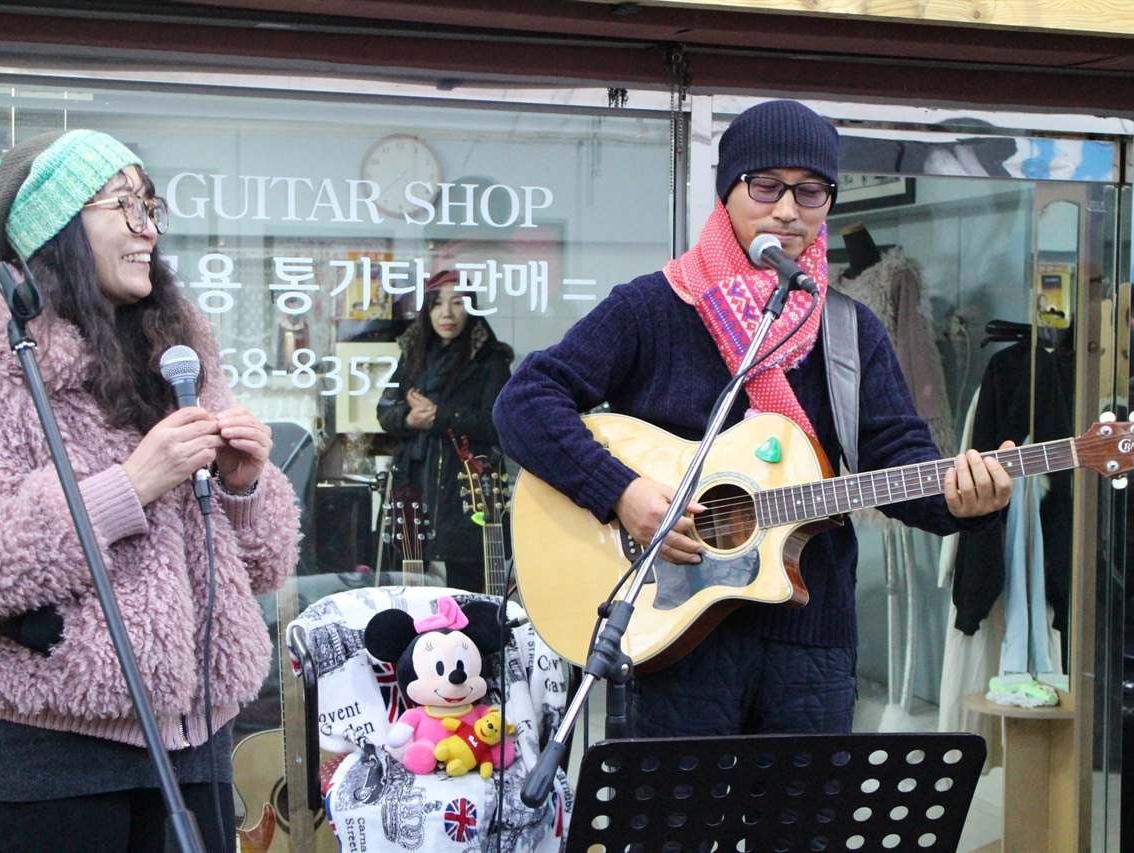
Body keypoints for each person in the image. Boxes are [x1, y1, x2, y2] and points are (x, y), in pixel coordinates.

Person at [492, 99, 1013, 738]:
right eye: (766, 186)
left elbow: (893, 457)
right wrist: (621, 492)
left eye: (811, 191)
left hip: (809, 641)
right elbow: (525, 402)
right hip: (671, 633)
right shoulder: (653, 307)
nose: (789, 210)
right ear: (728, 190)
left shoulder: (850, 330)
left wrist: (965, 502)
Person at [0, 130, 301, 852]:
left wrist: (242, 488)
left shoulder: (177, 352)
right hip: (50, 750)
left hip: (194, 739)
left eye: (151, 204)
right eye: (123, 204)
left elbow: (260, 567)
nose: (149, 226)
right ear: (59, 227)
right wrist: (130, 486)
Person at [377, 270, 514, 593]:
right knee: (410, 590)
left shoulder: (490, 359)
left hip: (469, 492)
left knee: (467, 591)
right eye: (438, 304)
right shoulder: (414, 353)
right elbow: (385, 411)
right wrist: (410, 419)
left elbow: (498, 424)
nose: (447, 313)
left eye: (457, 303)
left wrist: (441, 417)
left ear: (472, 307)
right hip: (415, 483)